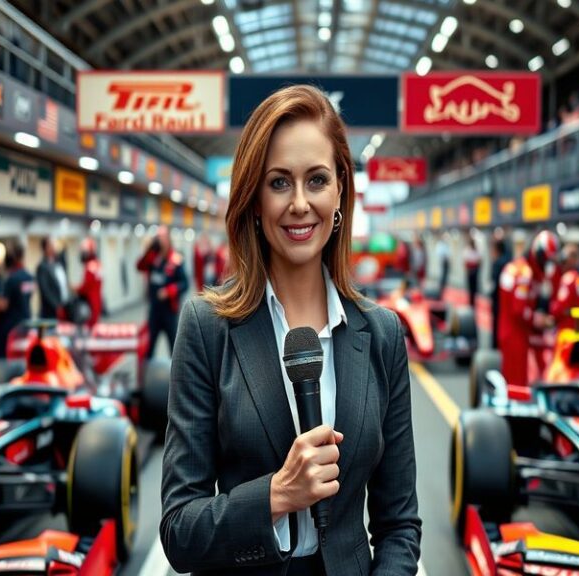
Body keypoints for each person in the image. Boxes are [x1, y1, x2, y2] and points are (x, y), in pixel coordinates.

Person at [160, 85, 421, 576]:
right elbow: (179, 529)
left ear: (340, 189)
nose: (300, 203)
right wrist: (277, 496)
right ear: (254, 200)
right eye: (279, 182)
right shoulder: (208, 328)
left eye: (316, 180)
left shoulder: (383, 334)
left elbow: (399, 524)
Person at [497, 230, 561, 387]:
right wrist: (537, 319)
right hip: (514, 333)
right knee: (516, 382)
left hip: (523, 330)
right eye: (545, 260)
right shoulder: (523, 273)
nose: (546, 265)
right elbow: (518, 310)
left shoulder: (532, 271)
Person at [136, 226, 189, 358]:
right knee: (149, 347)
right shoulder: (153, 257)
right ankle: (147, 376)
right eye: (158, 237)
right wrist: (149, 249)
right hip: (154, 310)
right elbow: (139, 266)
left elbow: (185, 284)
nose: (160, 240)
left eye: (162, 237)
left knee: (174, 347)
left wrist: (169, 291)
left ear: (168, 239)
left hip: (169, 312)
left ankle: (177, 377)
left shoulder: (176, 259)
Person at [0, 240, 35, 359]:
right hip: (26, 323)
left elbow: (2, 305)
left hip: (12, 329)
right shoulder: (30, 277)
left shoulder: (12, 279)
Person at [36, 236, 68, 320]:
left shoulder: (58, 263)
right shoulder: (42, 267)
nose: (54, 247)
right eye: (52, 244)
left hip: (63, 307)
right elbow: (45, 290)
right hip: (50, 312)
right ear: (46, 248)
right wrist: (57, 306)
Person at [489, 235, 511, 349]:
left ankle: (495, 348)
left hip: (498, 301)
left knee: (496, 325)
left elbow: (494, 285)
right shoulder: (508, 263)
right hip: (506, 303)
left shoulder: (497, 264)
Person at [75, 238, 102, 327]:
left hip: (90, 301)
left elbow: (86, 286)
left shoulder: (90, 266)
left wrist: (76, 289)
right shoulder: (98, 263)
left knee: (89, 326)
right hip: (97, 300)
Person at [463, 235, 481, 308]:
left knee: (474, 287)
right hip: (470, 270)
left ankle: (473, 301)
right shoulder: (467, 250)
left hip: (475, 270)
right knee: (470, 286)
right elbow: (465, 261)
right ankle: (470, 301)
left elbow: (479, 261)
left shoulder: (477, 250)